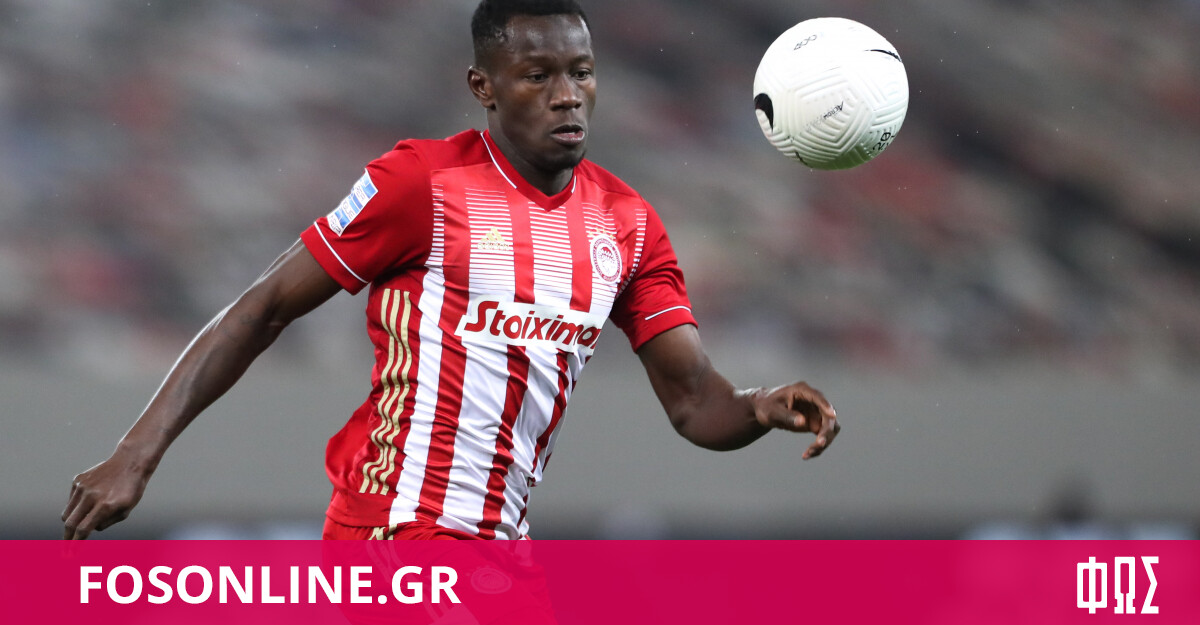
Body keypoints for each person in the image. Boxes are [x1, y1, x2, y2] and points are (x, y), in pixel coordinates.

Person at [62, 0, 840, 542]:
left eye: (581, 72)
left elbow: (694, 401)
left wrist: (759, 406)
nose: (567, 96)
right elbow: (263, 306)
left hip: (501, 551)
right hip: (394, 531)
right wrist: (136, 453)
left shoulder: (627, 223)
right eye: (538, 76)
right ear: (484, 87)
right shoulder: (422, 185)